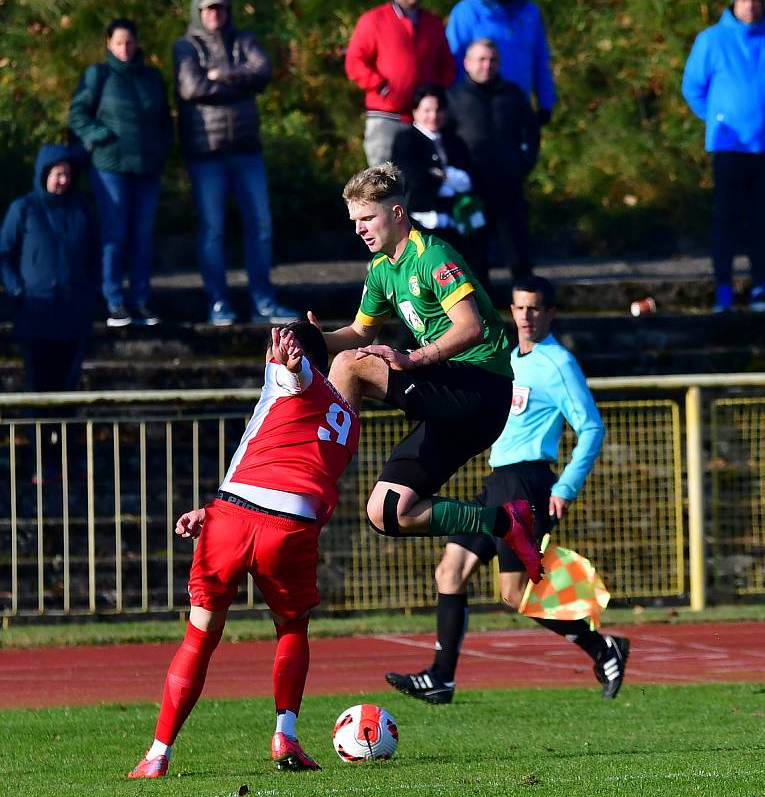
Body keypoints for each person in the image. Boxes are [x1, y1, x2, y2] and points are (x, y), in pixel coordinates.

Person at [128, 322, 359, 778]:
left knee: (199, 636)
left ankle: (157, 754)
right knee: (292, 629)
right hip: (287, 525)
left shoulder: (294, 377)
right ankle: (285, 735)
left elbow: (298, 380)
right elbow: (285, 460)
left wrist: (291, 366)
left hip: (234, 518)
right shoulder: (348, 421)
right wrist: (212, 509)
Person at [385, 275, 630, 704]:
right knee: (450, 570)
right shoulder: (509, 356)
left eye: (534, 308)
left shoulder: (557, 363)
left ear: (550, 313)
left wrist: (566, 487)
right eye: (518, 308)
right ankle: (441, 678)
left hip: (527, 481)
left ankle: (602, 647)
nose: (525, 316)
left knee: (514, 592)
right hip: (497, 480)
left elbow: (591, 427)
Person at [308, 163, 543, 583]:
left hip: (480, 389)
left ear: (397, 213)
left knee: (349, 366)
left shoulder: (432, 253)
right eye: (354, 221)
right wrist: (312, 339)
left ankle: (315, 478)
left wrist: (413, 359)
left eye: (367, 218)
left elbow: (469, 328)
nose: (359, 229)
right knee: (387, 511)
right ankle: (506, 522)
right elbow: (359, 332)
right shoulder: (381, 269)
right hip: (451, 399)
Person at [173, 0, 298, 325]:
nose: (215, 14)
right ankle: (218, 303)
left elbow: (263, 70)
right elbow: (191, 87)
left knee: (261, 226)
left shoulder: (245, 40)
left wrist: (222, 74)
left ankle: (264, 302)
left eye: (221, 7)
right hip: (207, 154)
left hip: (246, 150)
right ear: (198, 12)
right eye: (209, 8)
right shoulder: (186, 47)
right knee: (213, 230)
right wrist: (240, 86)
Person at [0, 144, 99, 482]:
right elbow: (5, 254)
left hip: (72, 319)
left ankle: (69, 460)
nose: (62, 180)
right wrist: (17, 291)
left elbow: (94, 256)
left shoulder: (81, 210)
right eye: (57, 174)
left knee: (68, 394)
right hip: (35, 318)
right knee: (37, 394)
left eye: (67, 175)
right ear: (44, 174)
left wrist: (89, 296)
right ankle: (42, 462)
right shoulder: (23, 209)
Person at [68, 18, 172, 328]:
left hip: (147, 170)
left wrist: (161, 149)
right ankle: (114, 301)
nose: (125, 48)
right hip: (110, 168)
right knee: (114, 235)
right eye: (118, 43)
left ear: (137, 42)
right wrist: (101, 136)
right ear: (108, 45)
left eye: (129, 42)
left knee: (142, 236)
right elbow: (77, 113)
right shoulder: (98, 75)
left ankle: (140, 300)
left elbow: (165, 120)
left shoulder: (152, 77)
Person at [682, 0, 765, 312]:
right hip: (729, 148)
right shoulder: (711, 40)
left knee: (763, 220)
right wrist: (719, 118)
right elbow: (693, 87)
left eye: (756, 0)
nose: (750, 7)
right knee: (726, 220)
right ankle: (724, 291)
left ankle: (761, 286)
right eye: (744, 0)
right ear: (734, 3)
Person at [446, 38, 540, 284]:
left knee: (518, 252)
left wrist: (523, 164)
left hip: (508, 184)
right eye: (481, 59)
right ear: (467, 63)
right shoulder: (454, 98)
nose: (486, 65)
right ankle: (479, 317)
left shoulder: (513, 95)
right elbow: (444, 140)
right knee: (474, 258)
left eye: (492, 60)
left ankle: (530, 309)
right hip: (471, 190)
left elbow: (531, 133)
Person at [391, 84, 488, 289]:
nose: (433, 116)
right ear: (415, 111)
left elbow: (469, 178)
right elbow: (413, 177)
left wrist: (441, 175)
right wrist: (444, 178)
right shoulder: (406, 140)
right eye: (427, 110)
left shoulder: (454, 141)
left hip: (455, 219)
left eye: (438, 110)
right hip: (423, 219)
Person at [345, 0, 456, 167]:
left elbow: (446, 65)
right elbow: (355, 62)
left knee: (427, 181)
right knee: (385, 183)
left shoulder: (432, 23)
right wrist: (381, 87)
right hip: (387, 118)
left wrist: (436, 96)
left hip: (426, 121)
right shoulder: (374, 20)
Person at [446, 0, 556, 127]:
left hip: (518, 109)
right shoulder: (467, 11)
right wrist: (453, 104)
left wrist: (546, 103)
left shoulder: (529, 12)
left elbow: (540, 61)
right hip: (476, 111)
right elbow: (453, 63)